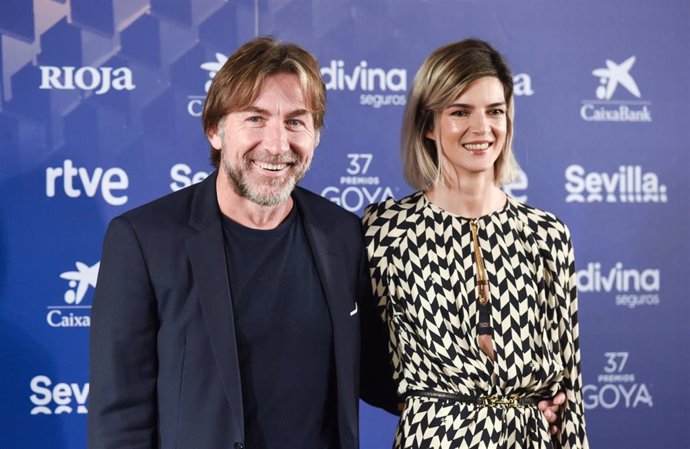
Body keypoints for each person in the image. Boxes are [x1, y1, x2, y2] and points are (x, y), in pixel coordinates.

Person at [88, 36, 386, 449]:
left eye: (296, 121)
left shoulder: (342, 233)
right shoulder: (143, 240)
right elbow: (119, 417)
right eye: (255, 119)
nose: (278, 144)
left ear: (316, 135)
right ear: (215, 129)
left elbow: (377, 374)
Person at [362, 39, 588, 448]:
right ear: (429, 124)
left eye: (494, 111)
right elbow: (359, 362)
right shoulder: (387, 232)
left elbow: (569, 386)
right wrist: (435, 407)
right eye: (460, 112)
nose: (482, 128)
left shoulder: (547, 235)